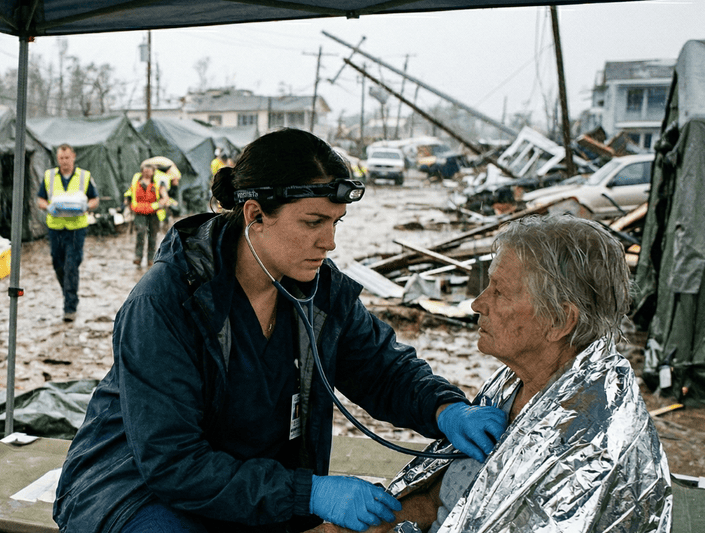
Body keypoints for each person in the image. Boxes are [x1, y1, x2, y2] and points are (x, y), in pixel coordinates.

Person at [52, 128, 506, 533]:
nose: (329, 242)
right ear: (255, 215)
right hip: (136, 488)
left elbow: (380, 368)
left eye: (334, 223)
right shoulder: (167, 301)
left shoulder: (318, 293)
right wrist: (309, 493)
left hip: (254, 485)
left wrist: (445, 409)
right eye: (313, 223)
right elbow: (172, 462)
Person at [318, 214, 672, 533]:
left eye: (499, 292)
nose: (477, 303)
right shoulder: (516, 385)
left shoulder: (589, 441)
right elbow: (434, 502)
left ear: (560, 321)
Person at [36, 143, 99, 322]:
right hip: (55, 228)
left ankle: (69, 306)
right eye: (61, 158)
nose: (64, 161)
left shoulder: (84, 177)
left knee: (71, 265)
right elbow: (40, 199)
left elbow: (95, 199)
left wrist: (86, 206)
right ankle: (69, 292)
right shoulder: (49, 176)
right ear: (58, 159)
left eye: (67, 157)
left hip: (76, 229)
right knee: (58, 264)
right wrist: (48, 207)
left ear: (73, 157)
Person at [127, 158, 170, 267]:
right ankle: (138, 257)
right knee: (140, 232)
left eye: (149, 170)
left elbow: (165, 197)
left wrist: (161, 203)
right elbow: (130, 193)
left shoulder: (158, 182)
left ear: (153, 171)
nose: (146, 172)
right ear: (142, 171)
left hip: (153, 213)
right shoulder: (136, 181)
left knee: (153, 235)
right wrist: (127, 204)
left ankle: (151, 258)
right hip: (139, 212)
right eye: (145, 170)